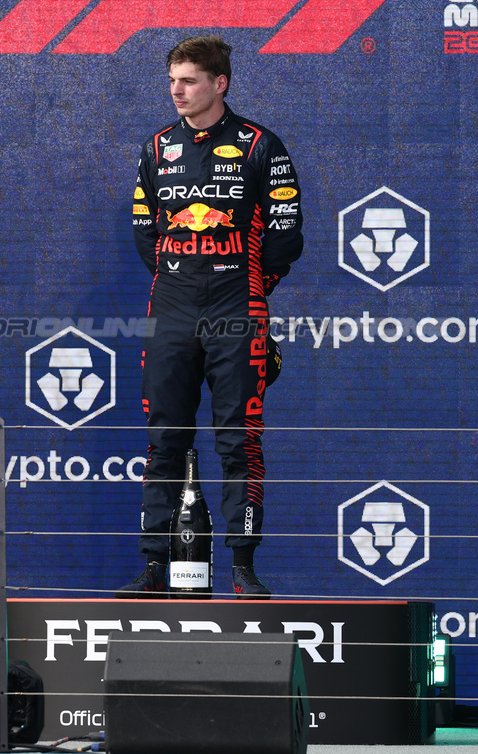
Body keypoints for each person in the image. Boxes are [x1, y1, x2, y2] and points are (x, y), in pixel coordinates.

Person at [118, 35, 303, 600]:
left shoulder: (260, 146)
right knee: (163, 439)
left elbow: (285, 236)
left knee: (238, 440)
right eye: (172, 80)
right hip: (171, 307)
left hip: (236, 305)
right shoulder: (155, 148)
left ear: (219, 83)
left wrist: (244, 286)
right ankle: (154, 566)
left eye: (189, 79)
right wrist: (182, 276)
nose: (177, 90)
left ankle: (242, 568)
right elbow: (145, 232)